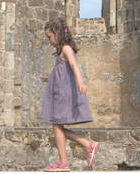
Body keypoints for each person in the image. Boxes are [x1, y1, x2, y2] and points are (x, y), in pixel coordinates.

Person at [39, 17, 98, 172]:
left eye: (49, 37)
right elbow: (61, 73)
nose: (49, 41)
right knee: (57, 126)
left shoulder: (66, 49)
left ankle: (64, 162)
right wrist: (49, 78)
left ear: (57, 33)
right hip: (60, 93)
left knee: (56, 125)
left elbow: (73, 65)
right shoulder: (61, 52)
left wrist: (80, 82)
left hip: (63, 94)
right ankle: (86, 146)